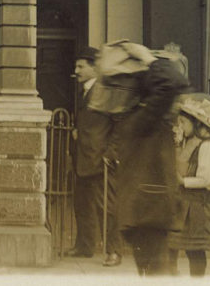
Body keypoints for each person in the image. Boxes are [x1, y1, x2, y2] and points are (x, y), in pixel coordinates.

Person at [90, 40, 189, 276]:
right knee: (160, 274)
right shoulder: (143, 120)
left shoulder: (128, 121)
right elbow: (173, 82)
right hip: (151, 215)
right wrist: (149, 59)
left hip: (139, 216)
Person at [167, 96, 210, 276]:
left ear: (196, 123)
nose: (179, 126)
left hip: (201, 207)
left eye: (183, 122)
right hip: (190, 204)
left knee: (195, 251)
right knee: (180, 247)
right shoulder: (193, 144)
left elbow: (209, 181)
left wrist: (183, 181)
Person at [68, 46, 123, 266]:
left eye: (81, 66)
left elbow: (119, 126)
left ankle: (114, 251)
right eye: (77, 66)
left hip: (101, 160)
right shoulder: (84, 91)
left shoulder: (105, 92)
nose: (76, 70)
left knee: (105, 207)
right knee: (82, 204)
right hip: (82, 158)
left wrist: (110, 153)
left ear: (94, 68)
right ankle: (84, 246)